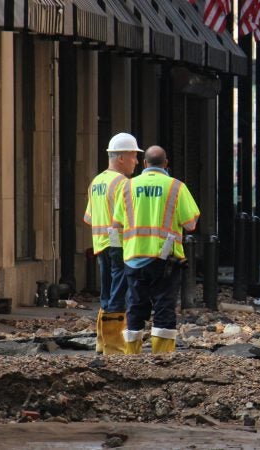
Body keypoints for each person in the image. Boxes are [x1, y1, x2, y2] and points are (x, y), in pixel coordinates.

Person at [112, 146, 200, 355]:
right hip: (165, 260)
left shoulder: (126, 187)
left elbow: (117, 224)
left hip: (133, 258)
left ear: (144, 163)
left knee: (135, 306)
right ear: (166, 164)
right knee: (164, 307)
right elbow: (191, 224)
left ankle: (132, 356)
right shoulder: (176, 187)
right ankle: (162, 357)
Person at [83, 133, 142, 355]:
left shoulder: (96, 181)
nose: (136, 161)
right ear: (121, 158)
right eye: (134, 156)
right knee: (118, 293)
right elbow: (128, 217)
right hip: (118, 244)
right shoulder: (123, 184)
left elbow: (89, 218)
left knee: (107, 292)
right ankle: (114, 347)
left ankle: (103, 342)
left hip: (100, 244)